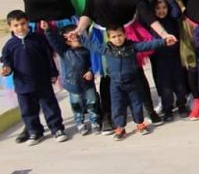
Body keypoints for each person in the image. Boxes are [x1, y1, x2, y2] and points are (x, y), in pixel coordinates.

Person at [70, 0, 178, 133]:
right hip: (102, 34)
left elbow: (146, 14)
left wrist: (163, 34)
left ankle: (148, 109)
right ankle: (107, 116)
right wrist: (79, 29)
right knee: (106, 76)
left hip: (126, 34)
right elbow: (88, 11)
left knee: (135, 73)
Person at [81, 26, 175, 140]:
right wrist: (77, 36)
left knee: (136, 104)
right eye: (114, 37)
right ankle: (120, 127)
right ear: (109, 39)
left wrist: (164, 41)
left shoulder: (132, 46)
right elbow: (92, 45)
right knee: (117, 106)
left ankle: (140, 123)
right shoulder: (106, 49)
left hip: (133, 82)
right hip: (115, 84)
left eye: (120, 35)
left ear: (125, 35)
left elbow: (147, 45)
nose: (117, 39)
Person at [1, 11, 68, 145]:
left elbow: (48, 57)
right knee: (28, 110)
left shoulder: (39, 39)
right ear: (10, 27)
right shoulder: (9, 45)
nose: (20, 28)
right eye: (16, 25)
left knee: (50, 106)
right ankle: (34, 132)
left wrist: (53, 73)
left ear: (27, 23)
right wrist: (7, 70)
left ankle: (57, 129)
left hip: (42, 81)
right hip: (22, 84)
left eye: (23, 24)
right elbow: (7, 62)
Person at [45, 23, 101, 135]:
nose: (75, 38)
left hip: (88, 84)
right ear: (66, 40)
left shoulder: (86, 50)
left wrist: (91, 71)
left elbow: (93, 63)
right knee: (77, 105)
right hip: (72, 85)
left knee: (92, 102)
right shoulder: (64, 52)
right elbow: (54, 42)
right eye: (71, 37)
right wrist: (48, 30)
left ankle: (95, 121)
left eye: (76, 35)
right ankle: (80, 123)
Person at [150, 0, 189, 121]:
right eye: (158, 8)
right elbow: (148, 14)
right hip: (160, 59)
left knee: (180, 83)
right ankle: (168, 110)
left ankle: (182, 105)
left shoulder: (171, 19)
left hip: (175, 57)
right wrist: (150, 0)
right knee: (165, 86)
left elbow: (177, 13)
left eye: (164, 7)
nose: (161, 11)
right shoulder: (154, 23)